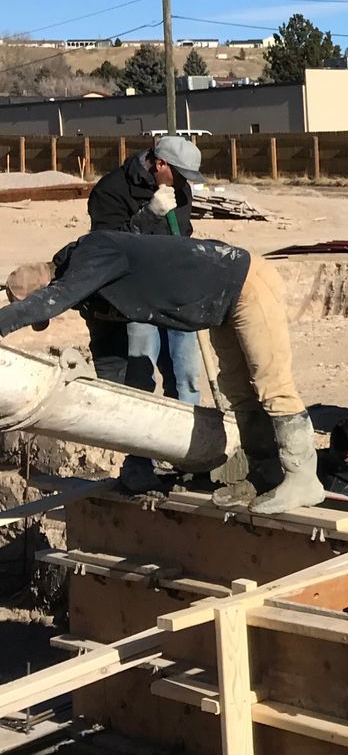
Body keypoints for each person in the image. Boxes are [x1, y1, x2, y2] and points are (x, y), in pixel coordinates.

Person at [0, 230, 320, 514]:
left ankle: (303, 479)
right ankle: (264, 475)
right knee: (237, 390)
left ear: (48, 285)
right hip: (220, 304)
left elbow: (53, 300)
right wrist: (117, 412)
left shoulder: (95, 251)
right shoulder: (90, 293)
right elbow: (110, 359)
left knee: (271, 384)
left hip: (244, 280)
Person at [85, 133, 207, 490]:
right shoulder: (111, 191)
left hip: (176, 297)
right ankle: (138, 463)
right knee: (139, 380)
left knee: (185, 378)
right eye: (179, 175)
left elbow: (183, 236)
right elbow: (105, 248)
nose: (183, 184)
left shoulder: (179, 189)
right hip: (136, 300)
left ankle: (188, 457)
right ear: (160, 163)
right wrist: (148, 216)